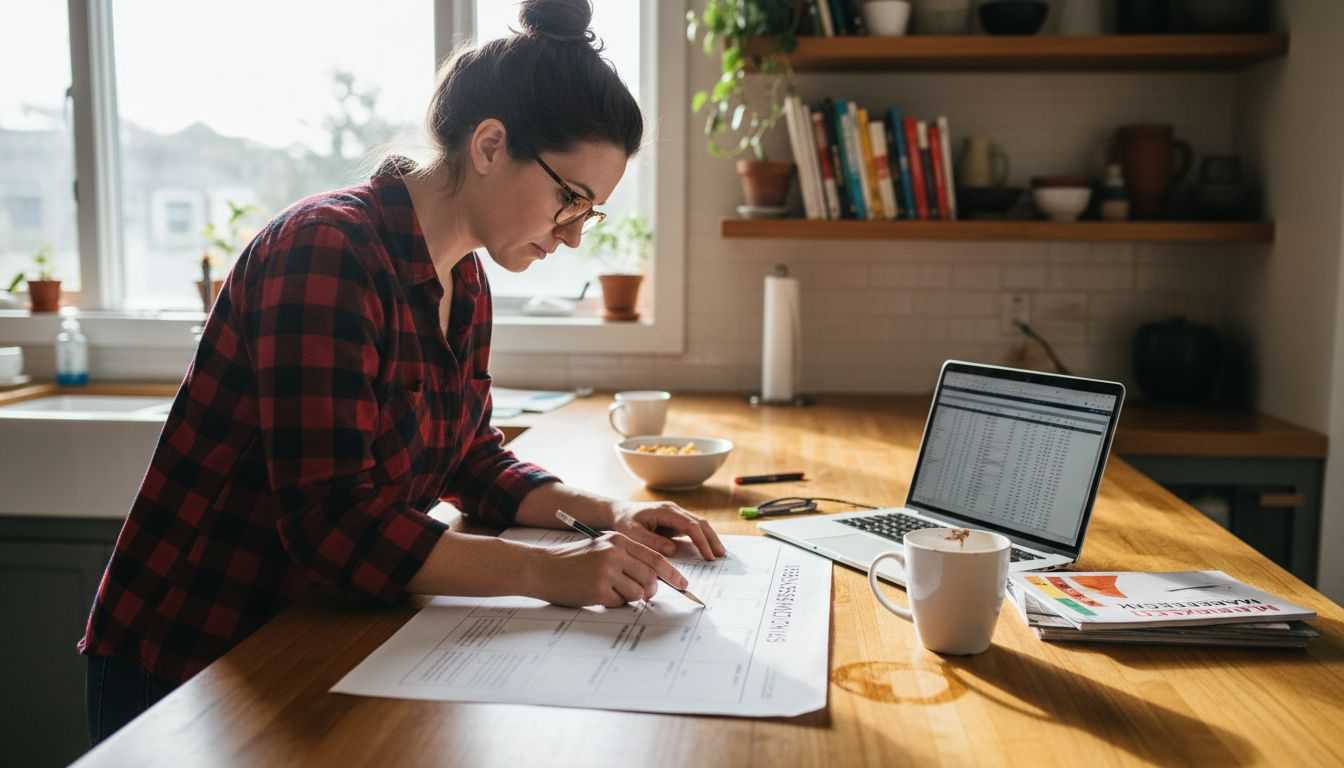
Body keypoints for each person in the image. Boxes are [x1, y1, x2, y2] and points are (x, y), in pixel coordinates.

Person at [78, 0, 725, 746]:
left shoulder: (465, 282)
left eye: (591, 213)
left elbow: (471, 461)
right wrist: (551, 574)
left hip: (313, 636)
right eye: (569, 199)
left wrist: (608, 518)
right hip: (189, 656)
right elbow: (331, 523)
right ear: (489, 145)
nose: (575, 235)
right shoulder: (325, 250)